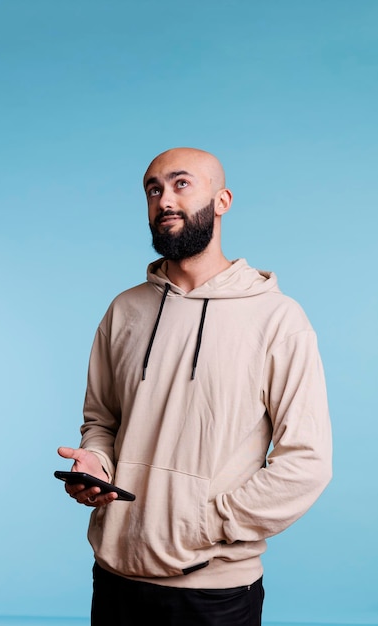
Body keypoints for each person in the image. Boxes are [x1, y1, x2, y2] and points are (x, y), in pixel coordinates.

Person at [57, 147, 332, 626]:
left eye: (181, 184)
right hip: (116, 577)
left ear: (222, 200)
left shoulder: (277, 318)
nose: (164, 199)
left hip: (215, 592)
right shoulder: (124, 310)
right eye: (153, 189)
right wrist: (96, 464)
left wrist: (209, 520)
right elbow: (102, 421)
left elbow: (307, 462)